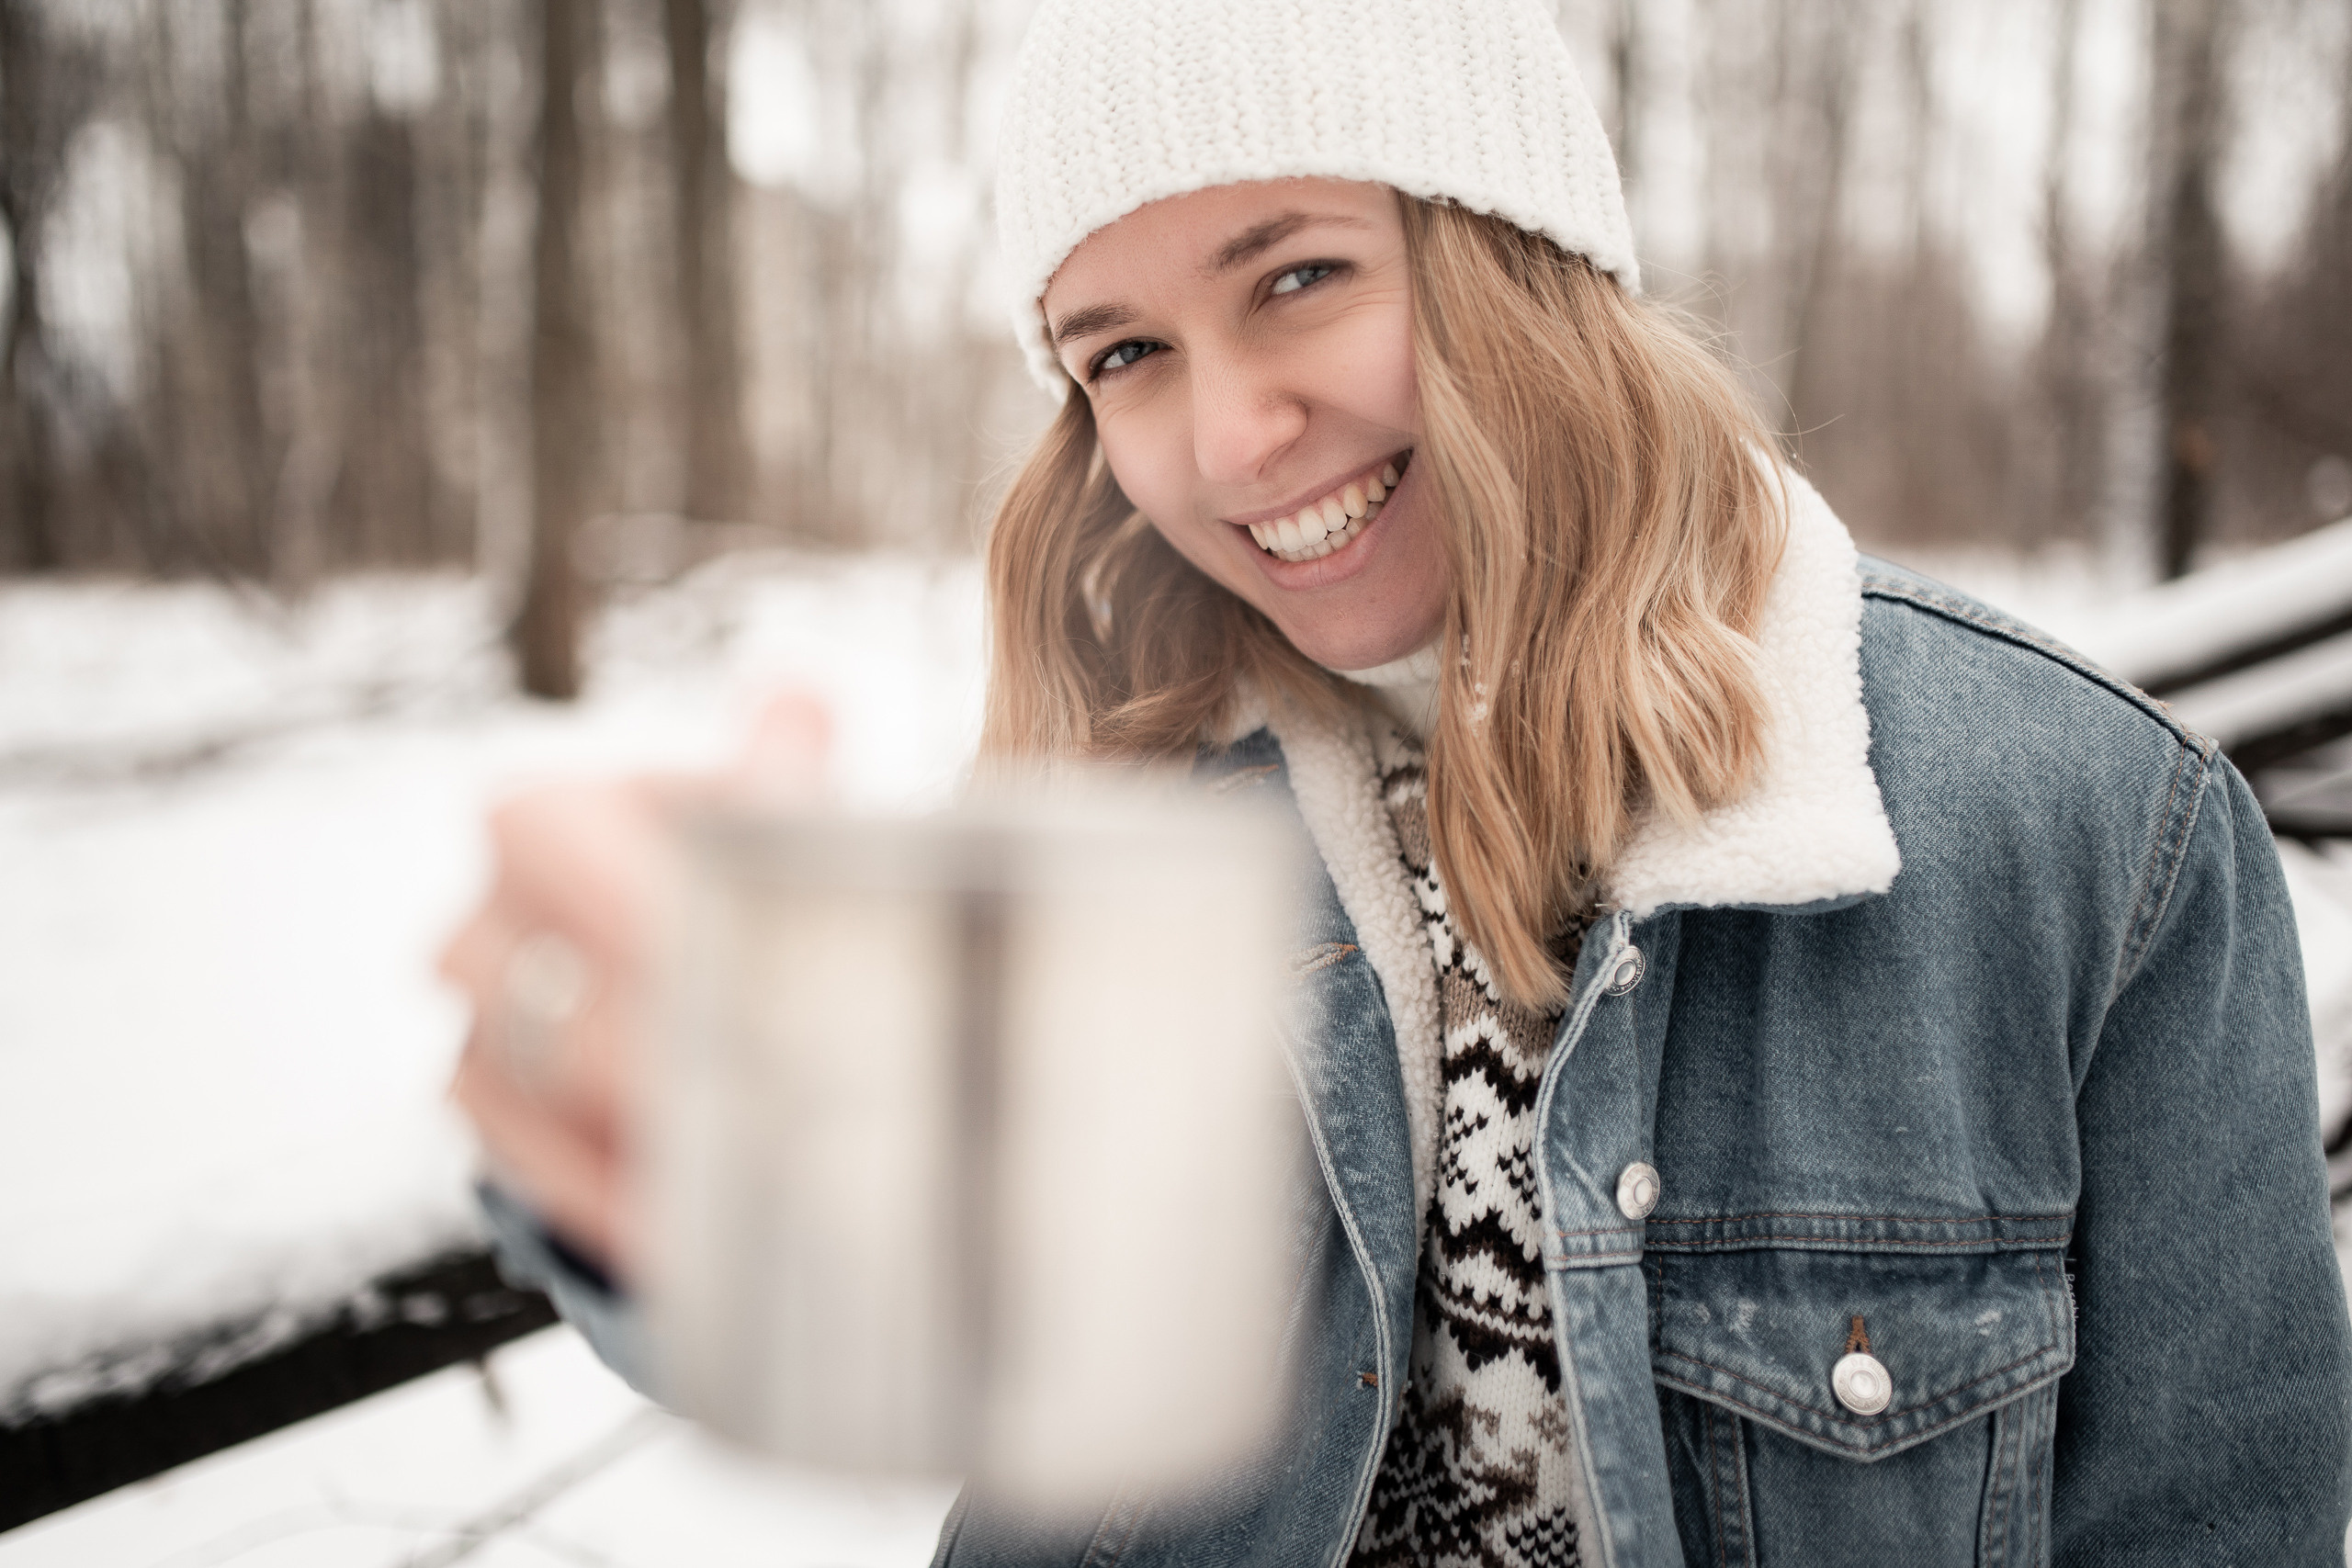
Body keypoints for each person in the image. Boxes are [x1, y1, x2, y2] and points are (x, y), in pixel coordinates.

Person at [442, 0, 2352, 1562]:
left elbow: (2215, 1525)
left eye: (1292, 277)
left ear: (1513, 254)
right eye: (1123, 351)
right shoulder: (1110, 817)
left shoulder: (2101, 840)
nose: (1224, 435)